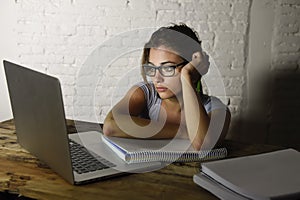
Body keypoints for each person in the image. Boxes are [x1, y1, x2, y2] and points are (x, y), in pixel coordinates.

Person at [103, 23, 231, 151]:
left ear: (193, 67)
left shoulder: (214, 108)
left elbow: (202, 144)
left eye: (168, 68)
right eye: (152, 67)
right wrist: (182, 132)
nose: (157, 78)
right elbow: (110, 126)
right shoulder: (146, 93)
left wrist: (187, 76)